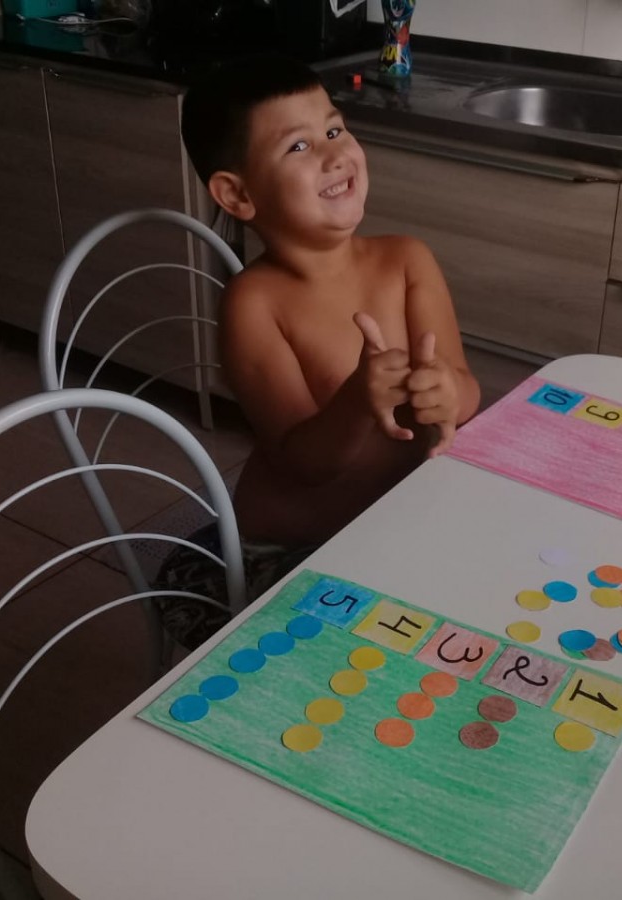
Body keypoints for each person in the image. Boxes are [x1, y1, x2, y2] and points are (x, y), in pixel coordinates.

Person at [153, 55, 480, 649]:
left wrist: (447, 393)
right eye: (298, 146)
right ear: (238, 194)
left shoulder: (408, 260)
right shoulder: (254, 304)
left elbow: (465, 390)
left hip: (401, 522)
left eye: (334, 129)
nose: (334, 155)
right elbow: (304, 465)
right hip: (294, 554)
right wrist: (356, 401)